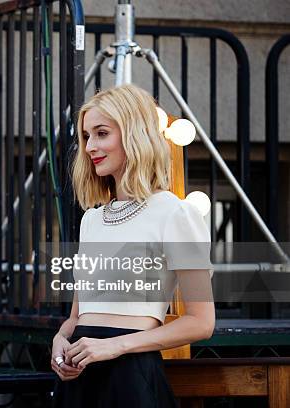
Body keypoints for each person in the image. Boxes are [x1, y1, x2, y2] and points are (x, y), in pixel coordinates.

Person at [50, 84, 215, 407]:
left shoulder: (175, 212)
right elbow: (77, 317)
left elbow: (201, 322)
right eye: (86, 136)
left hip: (129, 377)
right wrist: (59, 341)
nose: (90, 147)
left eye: (101, 133)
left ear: (134, 134)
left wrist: (117, 346)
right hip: (79, 379)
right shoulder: (91, 221)